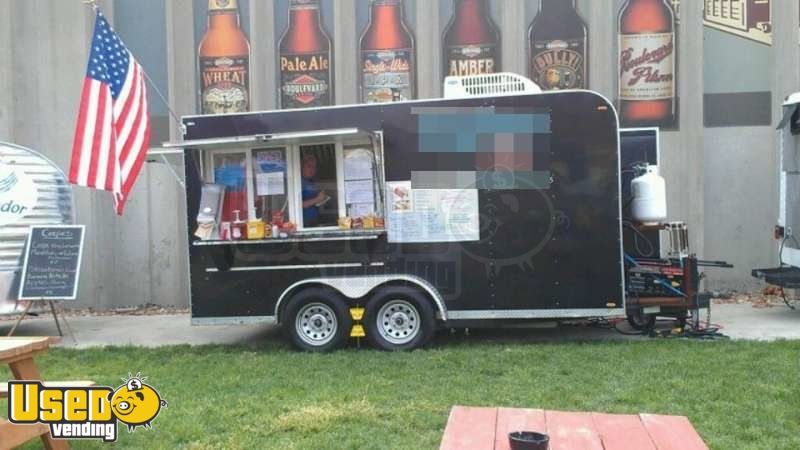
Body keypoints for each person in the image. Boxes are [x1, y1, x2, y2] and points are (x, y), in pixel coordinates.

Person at [301, 154, 327, 227]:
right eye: (309, 166)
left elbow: (315, 201)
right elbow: (298, 204)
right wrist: (318, 199)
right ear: (302, 167)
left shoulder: (311, 181)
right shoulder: (299, 182)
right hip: (304, 221)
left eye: (314, 167)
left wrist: (323, 199)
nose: (312, 169)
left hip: (314, 219)